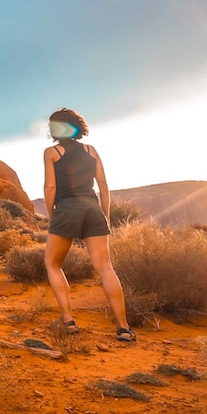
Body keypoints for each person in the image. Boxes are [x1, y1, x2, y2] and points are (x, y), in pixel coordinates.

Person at [42, 108, 135, 342]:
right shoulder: (90, 150)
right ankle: (124, 328)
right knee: (105, 267)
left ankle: (69, 321)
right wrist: (105, 214)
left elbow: (50, 187)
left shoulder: (52, 152)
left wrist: (52, 214)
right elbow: (103, 185)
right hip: (93, 209)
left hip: (66, 209)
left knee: (52, 264)